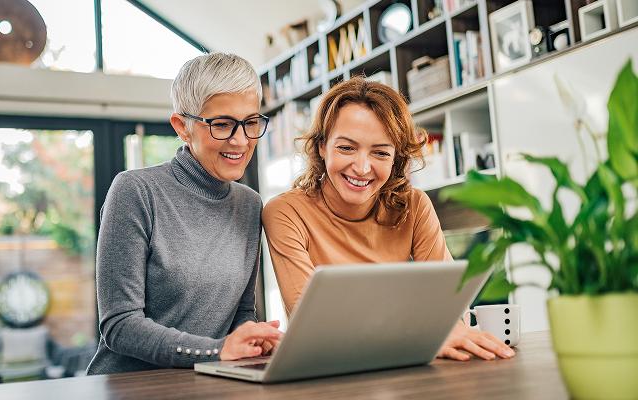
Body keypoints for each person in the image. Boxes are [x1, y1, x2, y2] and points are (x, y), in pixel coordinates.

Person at [262, 76, 514, 362]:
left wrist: (448, 333)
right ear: (321, 146)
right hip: (329, 370)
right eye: (346, 147)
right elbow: (316, 328)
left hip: (402, 366)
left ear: (396, 158)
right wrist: (422, 337)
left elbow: (447, 309)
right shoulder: (285, 213)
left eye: (380, 152)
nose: (362, 167)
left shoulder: (414, 205)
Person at [87, 53, 282, 375]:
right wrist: (218, 350)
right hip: (132, 388)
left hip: (209, 383)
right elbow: (119, 325)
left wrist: (255, 337)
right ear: (183, 127)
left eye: (250, 123)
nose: (240, 140)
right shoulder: (135, 191)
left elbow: (241, 311)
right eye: (221, 124)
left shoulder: (249, 204)